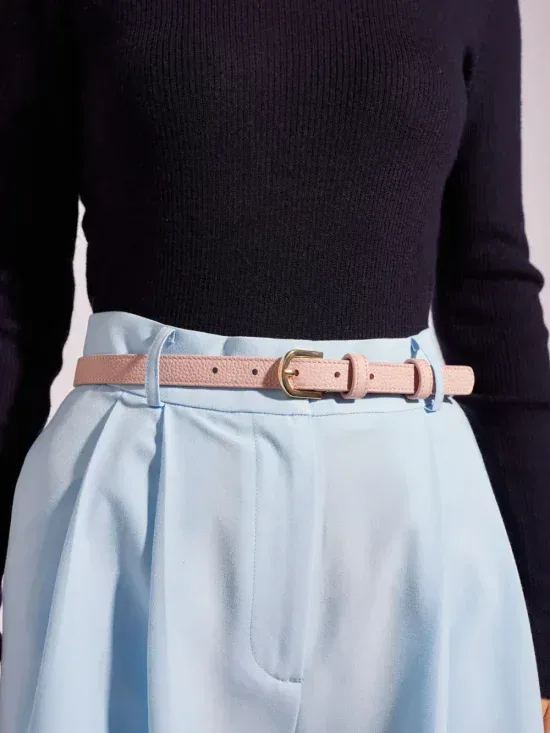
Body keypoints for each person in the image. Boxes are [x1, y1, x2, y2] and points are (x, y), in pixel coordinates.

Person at [0, 0, 549, 731]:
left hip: (409, 525)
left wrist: (544, 619)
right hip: (126, 512)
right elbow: (14, 285)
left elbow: (490, 285)